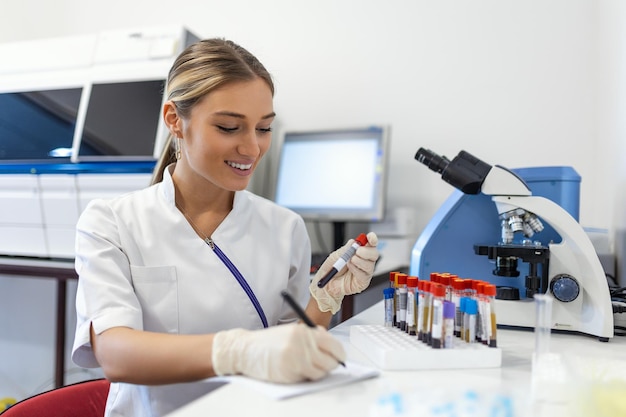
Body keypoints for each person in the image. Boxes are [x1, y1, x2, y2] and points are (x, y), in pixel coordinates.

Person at [71, 38, 380, 417]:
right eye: (230, 127)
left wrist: (326, 298)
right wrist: (238, 351)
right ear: (174, 120)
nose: (251, 149)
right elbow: (117, 354)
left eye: (263, 129)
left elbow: (294, 339)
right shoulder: (112, 223)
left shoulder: (284, 227)